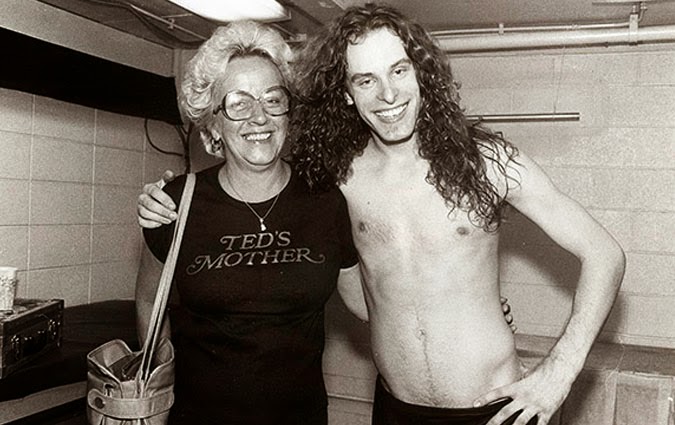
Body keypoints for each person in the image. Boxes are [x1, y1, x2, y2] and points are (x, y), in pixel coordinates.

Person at [138, 4, 624, 425]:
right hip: (394, 409)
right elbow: (264, 182)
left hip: (494, 408)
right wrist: (168, 196)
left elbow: (605, 254)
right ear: (347, 93)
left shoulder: (488, 160)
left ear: (421, 74)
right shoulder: (340, 177)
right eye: (365, 80)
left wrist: (560, 372)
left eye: (399, 71)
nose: (387, 95)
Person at [134, 20, 362, 425]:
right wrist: (159, 385)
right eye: (239, 103)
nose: (259, 117)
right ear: (214, 124)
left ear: (288, 112)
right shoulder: (175, 202)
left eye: (273, 99)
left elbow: (368, 301)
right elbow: (151, 300)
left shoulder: (325, 201)